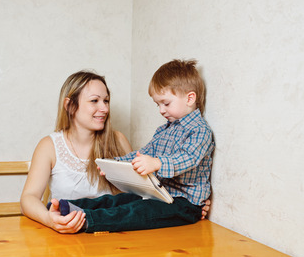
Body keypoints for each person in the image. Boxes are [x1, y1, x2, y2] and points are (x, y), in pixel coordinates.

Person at [20, 69, 210, 234]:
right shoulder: (49, 145)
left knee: (129, 207)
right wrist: (49, 219)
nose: (104, 108)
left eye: (106, 100)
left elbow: (141, 192)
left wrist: (191, 203)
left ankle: (86, 218)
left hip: (118, 233)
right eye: (95, 101)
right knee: (111, 203)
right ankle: (67, 210)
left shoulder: (118, 140)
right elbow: (28, 198)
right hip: (67, 236)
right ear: (70, 106)